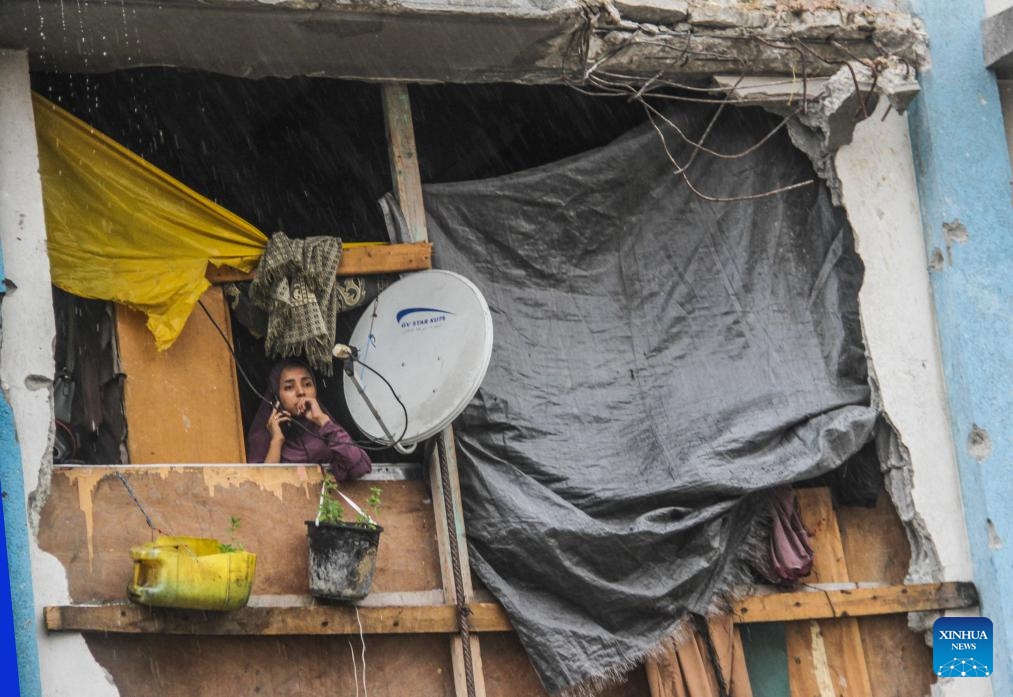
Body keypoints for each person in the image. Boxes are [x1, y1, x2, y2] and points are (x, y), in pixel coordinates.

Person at [246, 359, 372, 481]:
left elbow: (360, 467)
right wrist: (276, 442)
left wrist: (323, 421)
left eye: (307, 384)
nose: (301, 392)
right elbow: (263, 489)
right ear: (276, 396)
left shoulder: (327, 430)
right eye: (289, 387)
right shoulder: (262, 436)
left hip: (330, 502)